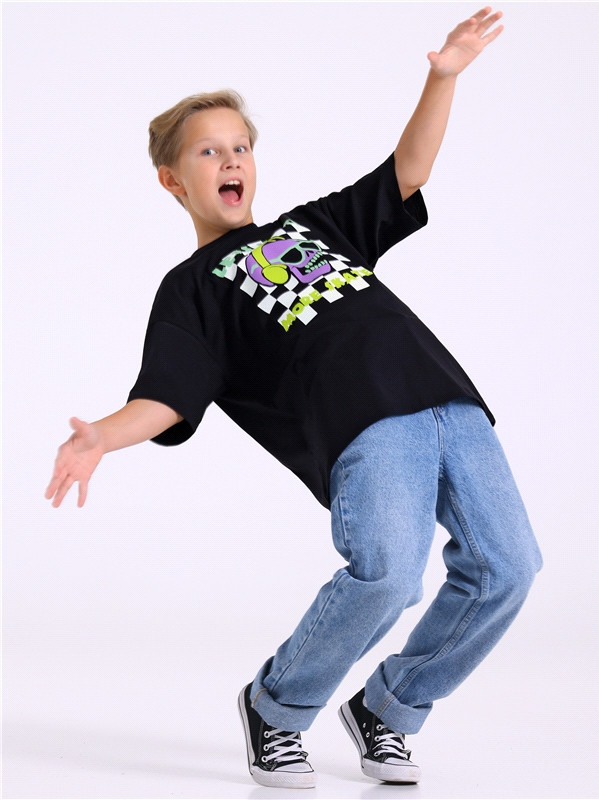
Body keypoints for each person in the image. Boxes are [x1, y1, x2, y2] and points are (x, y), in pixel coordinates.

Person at [45, 6, 542, 789]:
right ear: (173, 180)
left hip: (449, 403)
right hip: (366, 427)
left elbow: (406, 172)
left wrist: (441, 77)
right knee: (387, 575)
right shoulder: (192, 289)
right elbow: (168, 395)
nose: (230, 159)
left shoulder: (314, 226)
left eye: (239, 147)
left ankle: (390, 707)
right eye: (208, 150)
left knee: (508, 567)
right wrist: (101, 435)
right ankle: (275, 708)